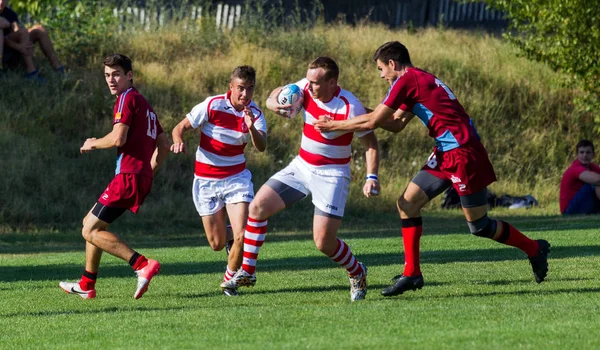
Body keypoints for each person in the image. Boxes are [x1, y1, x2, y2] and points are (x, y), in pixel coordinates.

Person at [313, 41, 550, 297]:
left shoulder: (406, 81)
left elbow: (374, 121)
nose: (381, 75)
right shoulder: (417, 79)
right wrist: (356, 115)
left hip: (463, 153)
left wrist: (334, 125)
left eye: (381, 69)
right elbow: (394, 124)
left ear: (393, 64)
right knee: (407, 204)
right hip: (445, 152)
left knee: (479, 226)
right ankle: (412, 273)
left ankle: (535, 248)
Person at [221, 57, 381, 302]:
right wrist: (274, 103)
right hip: (302, 166)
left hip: (332, 175)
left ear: (332, 82)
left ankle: (357, 271)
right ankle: (248, 271)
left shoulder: (350, 106)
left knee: (323, 242)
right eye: (309, 80)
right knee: (257, 207)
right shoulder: (306, 88)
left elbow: (370, 141)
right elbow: (278, 93)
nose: (310, 86)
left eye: (316, 82)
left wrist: (371, 176)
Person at [59, 54, 170, 299]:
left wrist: (93, 143)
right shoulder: (144, 103)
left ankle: (141, 264)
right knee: (91, 222)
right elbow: (164, 144)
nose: (111, 80)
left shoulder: (126, 99)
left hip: (128, 176)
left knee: (89, 230)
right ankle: (87, 284)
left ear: (129, 76)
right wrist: (148, 172)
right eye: (107, 75)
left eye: (116, 74)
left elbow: (118, 137)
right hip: (138, 176)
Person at [170, 65, 267, 297]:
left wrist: (252, 127)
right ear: (231, 87)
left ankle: (229, 279)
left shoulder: (256, 113)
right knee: (216, 243)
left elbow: (261, 147)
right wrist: (178, 140)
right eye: (241, 89)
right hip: (206, 181)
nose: (245, 94)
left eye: (250, 89)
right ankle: (228, 238)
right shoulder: (212, 105)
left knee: (243, 234)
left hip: (237, 179)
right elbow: (179, 128)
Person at [0, 0, 63, 78]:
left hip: (13, 49)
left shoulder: (10, 14)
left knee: (39, 30)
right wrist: (19, 47)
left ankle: (58, 67)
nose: (1, 2)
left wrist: (26, 42)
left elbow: (17, 31)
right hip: (4, 52)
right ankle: (31, 72)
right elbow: (2, 40)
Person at [560, 140, 600, 215]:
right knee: (593, 184)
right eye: (581, 152)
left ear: (593, 154)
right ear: (577, 155)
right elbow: (597, 180)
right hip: (569, 211)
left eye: (588, 152)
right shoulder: (576, 168)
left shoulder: (592, 166)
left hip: (583, 205)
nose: (585, 155)